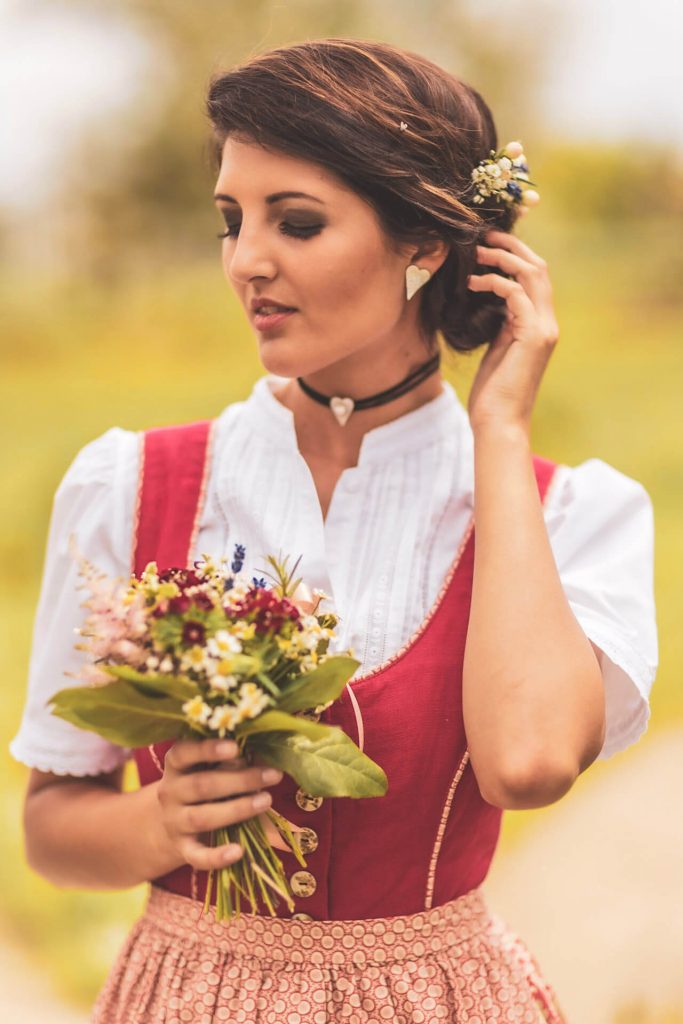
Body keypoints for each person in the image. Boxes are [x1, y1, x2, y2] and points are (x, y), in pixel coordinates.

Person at [10, 37, 657, 1024]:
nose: (246, 263)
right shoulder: (129, 483)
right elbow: (53, 826)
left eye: (296, 222)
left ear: (423, 244)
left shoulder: (572, 514)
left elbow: (525, 763)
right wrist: (159, 821)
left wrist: (500, 426)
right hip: (184, 999)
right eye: (232, 221)